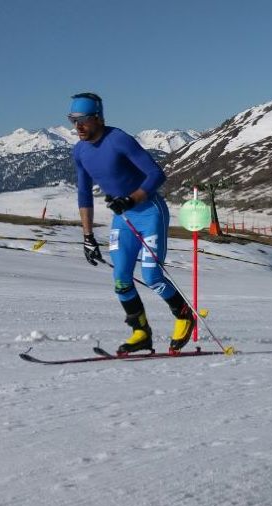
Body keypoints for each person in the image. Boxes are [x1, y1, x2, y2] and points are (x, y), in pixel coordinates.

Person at [70, 92, 194, 355]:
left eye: (83, 120)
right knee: (121, 280)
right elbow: (83, 194)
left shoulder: (119, 140)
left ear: (98, 118)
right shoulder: (80, 151)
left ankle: (184, 316)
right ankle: (141, 333)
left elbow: (157, 174)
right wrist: (88, 236)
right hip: (124, 219)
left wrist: (130, 199)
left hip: (150, 212)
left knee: (152, 276)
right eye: (72, 120)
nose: (77, 126)